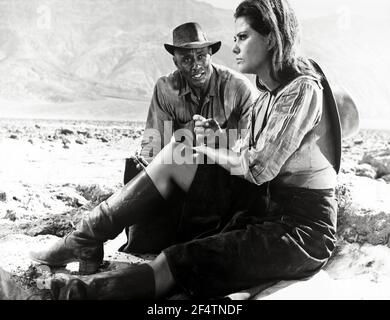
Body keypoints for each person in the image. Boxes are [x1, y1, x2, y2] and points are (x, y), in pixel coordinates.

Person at [30, 0, 341, 300]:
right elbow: (243, 149)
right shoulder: (265, 96)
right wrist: (217, 137)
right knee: (179, 151)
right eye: (235, 38)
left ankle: (78, 293)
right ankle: (85, 238)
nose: (235, 48)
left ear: (273, 37)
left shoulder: (301, 89)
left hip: (301, 229)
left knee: (175, 261)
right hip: (261, 204)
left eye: (243, 37)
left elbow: (258, 168)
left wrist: (205, 146)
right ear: (176, 60)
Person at [121, 22, 258, 253]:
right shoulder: (166, 89)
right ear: (175, 62)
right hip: (182, 175)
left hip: (225, 181)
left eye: (201, 57)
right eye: (186, 60)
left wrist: (221, 139)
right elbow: (154, 145)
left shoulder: (238, 88)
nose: (196, 66)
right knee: (137, 171)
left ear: (211, 54)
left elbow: (254, 152)